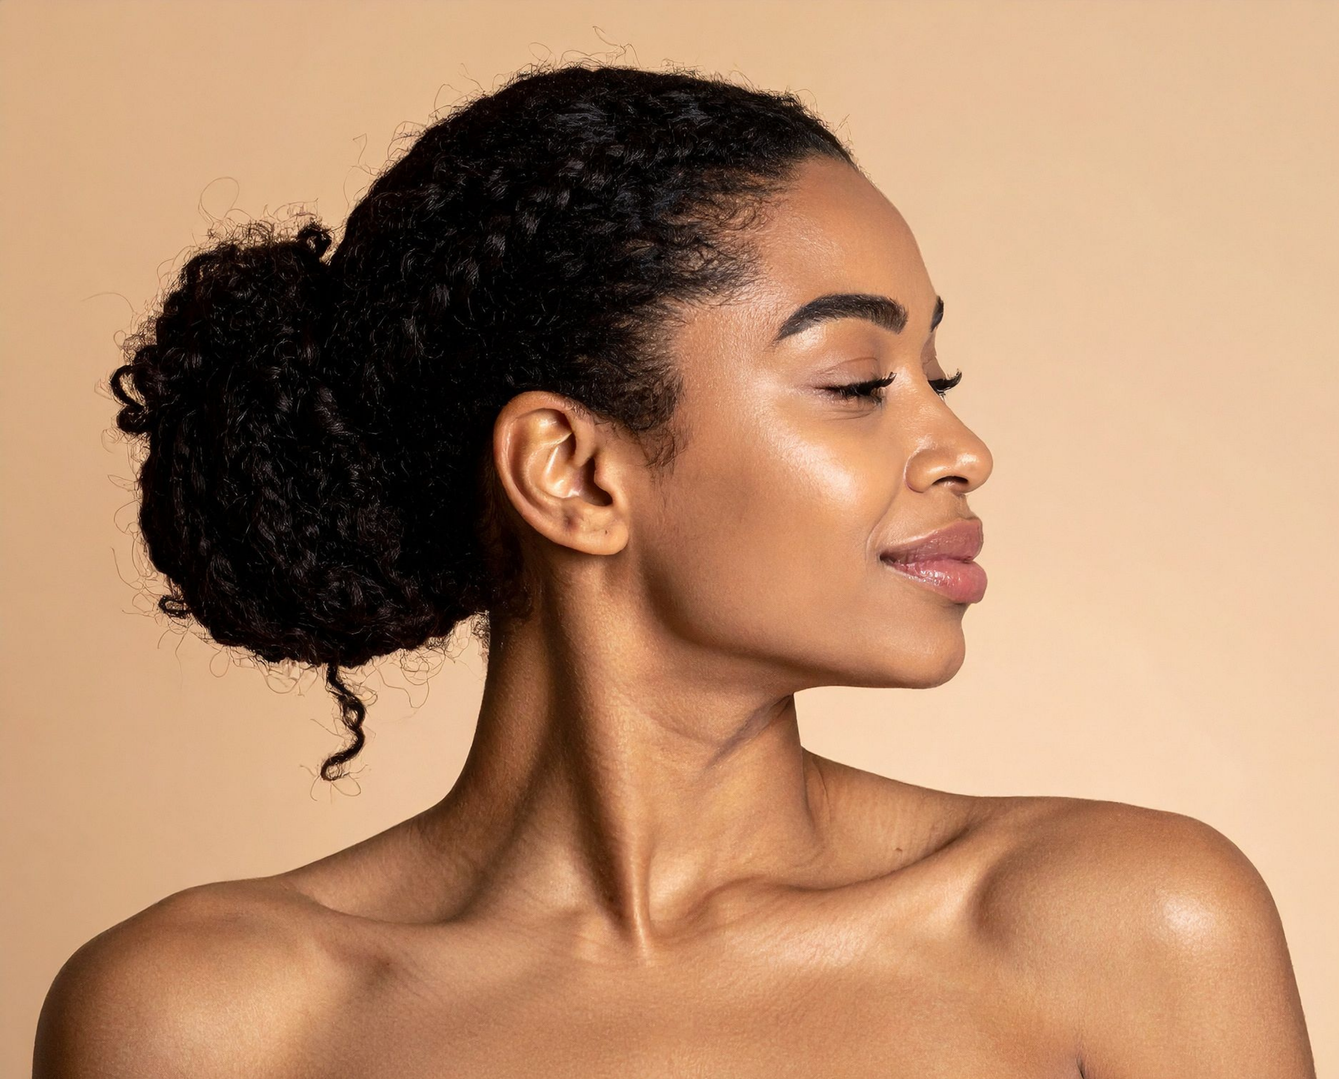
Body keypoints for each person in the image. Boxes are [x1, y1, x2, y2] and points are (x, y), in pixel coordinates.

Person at [34, 61, 1314, 1077]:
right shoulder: (203, 1021)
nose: (962, 449)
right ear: (573, 474)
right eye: (857, 382)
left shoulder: (1125, 927)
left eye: (940, 375)